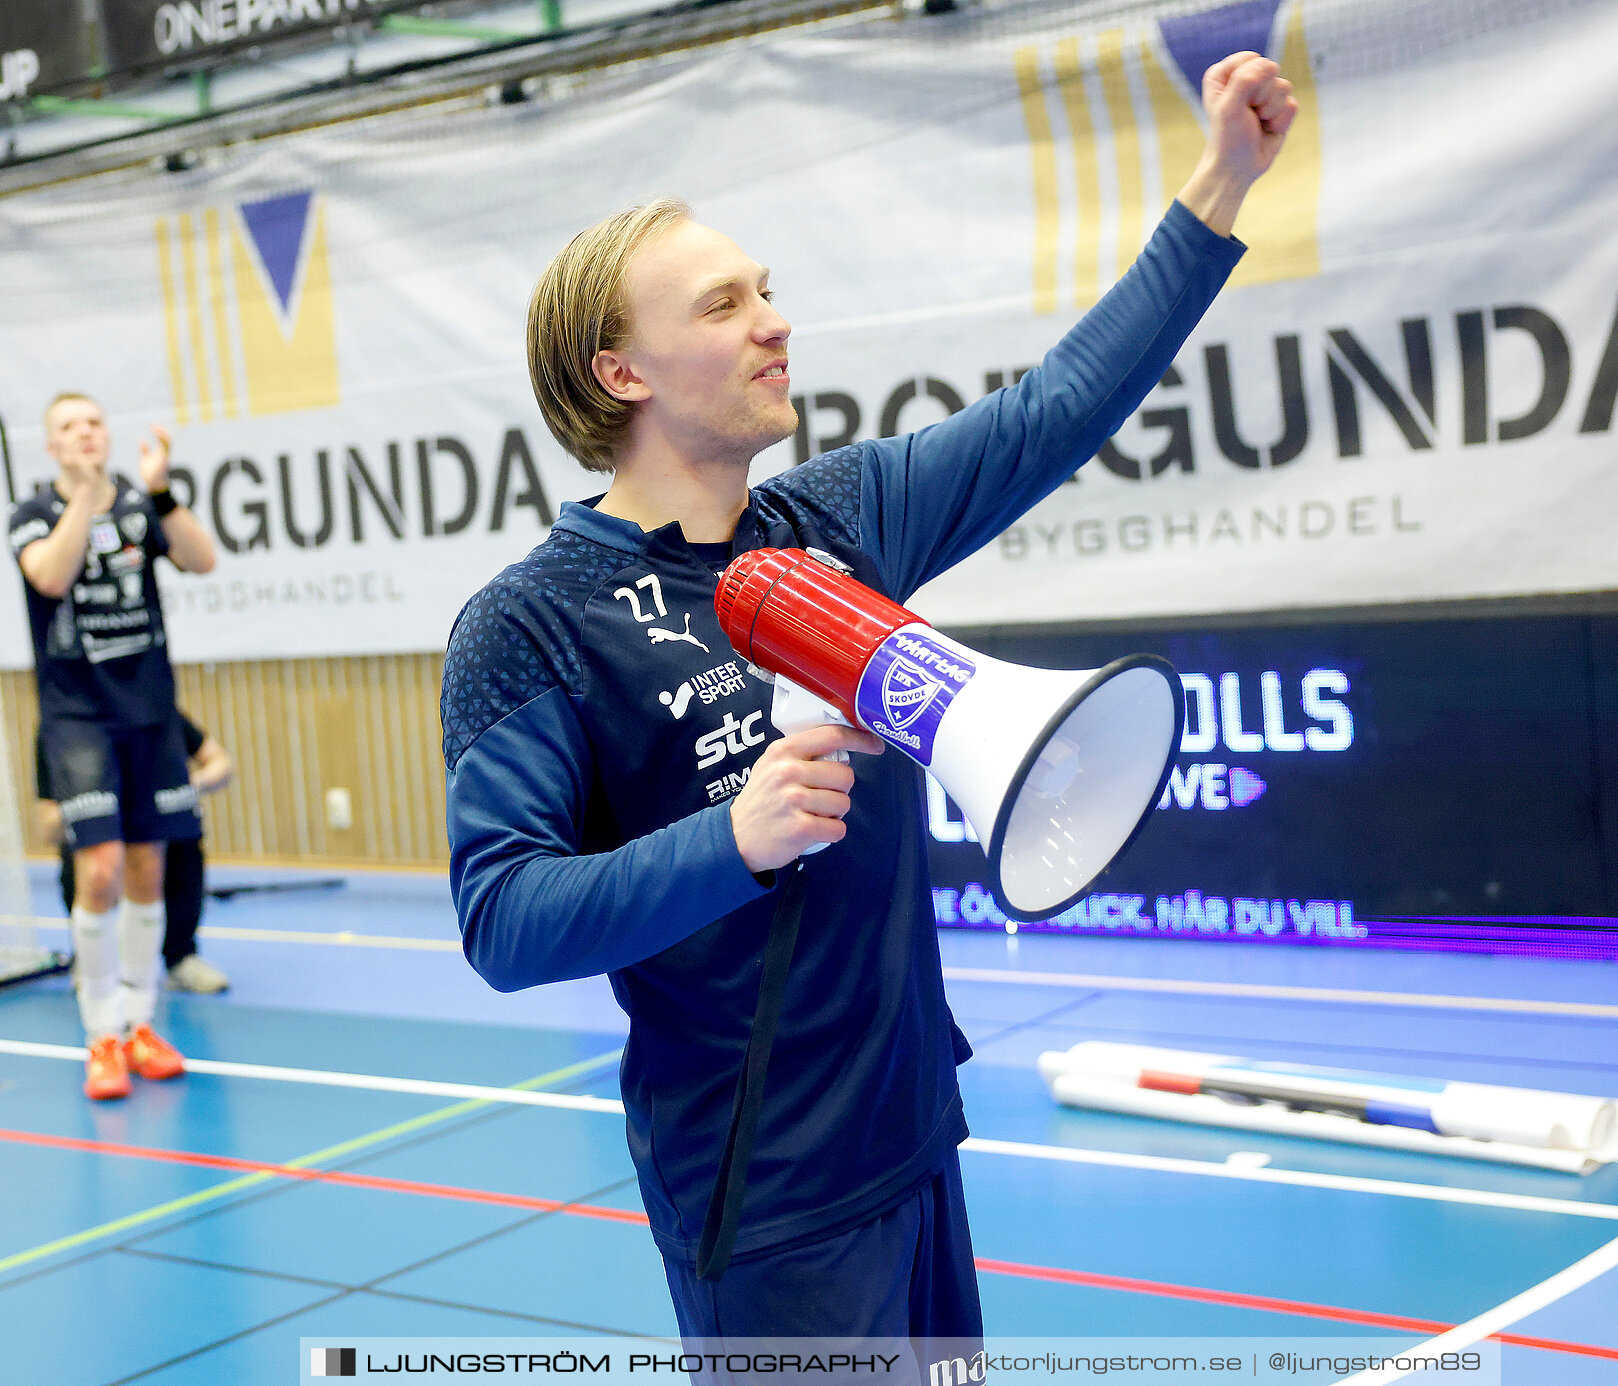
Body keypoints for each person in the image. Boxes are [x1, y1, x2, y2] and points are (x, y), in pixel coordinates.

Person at [442, 52, 1295, 1337]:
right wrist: (737, 836)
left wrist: (1222, 179)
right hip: (765, 1196)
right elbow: (504, 920)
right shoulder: (529, 623)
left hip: (914, 1132)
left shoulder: (833, 518)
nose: (776, 321)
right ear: (624, 372)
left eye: (769, 291)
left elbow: (1056, 410)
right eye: (726, 304)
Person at [8, 393, 217, 1100]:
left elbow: (201, 559)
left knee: (146, 871)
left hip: (149, 714)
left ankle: (140, 1023)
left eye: (94, 423)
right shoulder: (35, 515)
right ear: (54, 447)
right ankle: (100, 1032)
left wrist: (157, 490)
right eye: (70, 427)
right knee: (96, 870)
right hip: (78, 719)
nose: (87, 434)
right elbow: (50, 575)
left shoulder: (138, 504)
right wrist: (87, 500)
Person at [37, 713, 235, 994]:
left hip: (154, 825)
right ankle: (93, 960)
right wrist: (91, 811)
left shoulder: (156, 710)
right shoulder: (62, 725)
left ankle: (180, 957)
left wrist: (189, 784)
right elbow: (48, 825)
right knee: (90, 856)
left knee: (180, 834)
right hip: (101, 826)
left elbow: (221, 763)